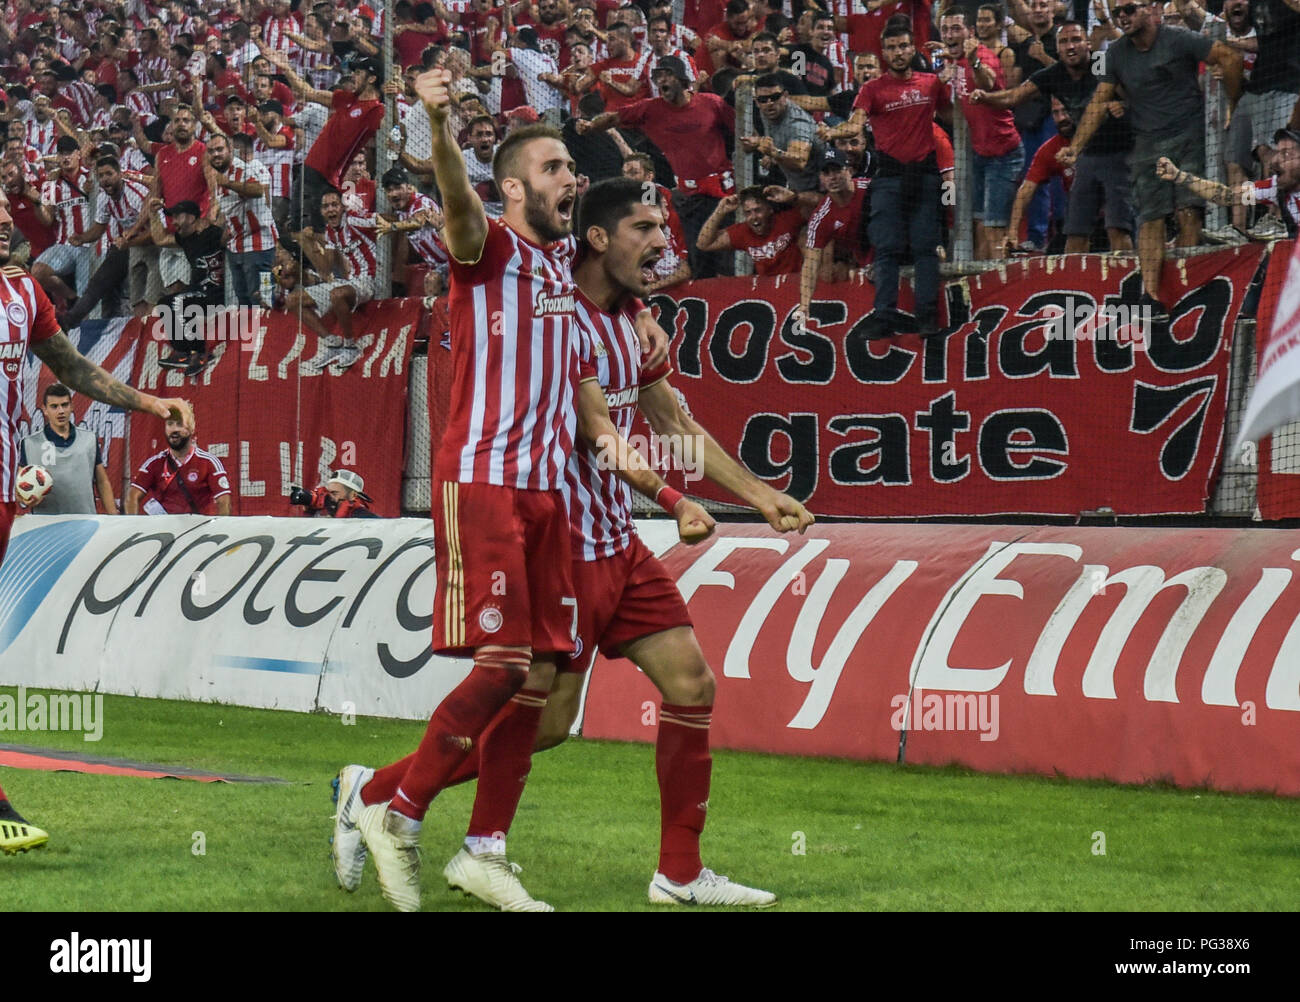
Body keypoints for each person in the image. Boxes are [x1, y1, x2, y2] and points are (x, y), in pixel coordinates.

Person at [333, 177, 814, 909]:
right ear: (596, 237)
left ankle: (678, 875)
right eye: (645, 228)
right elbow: (604, 436)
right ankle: (377, 793)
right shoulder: (554, 321)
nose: (662, 242)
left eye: (662, 227)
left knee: (692, 686)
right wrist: (678, 500)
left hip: (618, 541)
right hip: (564, 545)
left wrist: (757, 495)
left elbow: (675, 424)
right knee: (546, 723)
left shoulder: (632, 319)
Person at [0, 193, 191, 857]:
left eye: (5, 208)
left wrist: (149, 402)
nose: (4, 219)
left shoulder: (24, 293)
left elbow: (72, 366)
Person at [1058, 1, 1242, 327]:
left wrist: (1234, 106)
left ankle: (1186, 294)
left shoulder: (1179, 38)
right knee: (1150, 218)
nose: (1123, 17)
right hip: (1146, 145)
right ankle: (1151, 297)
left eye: (1129, 9)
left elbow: (1229, 57)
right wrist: (1075, 147)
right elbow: (1099, 101)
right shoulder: (1114, 53)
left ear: (1149, 8)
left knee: (1189, 214)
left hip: (1189, 136)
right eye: (1117, 13)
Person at [972, 20, 1135, 255]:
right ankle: (1074, 288)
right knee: (1075, 233)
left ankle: (1129, 286)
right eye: (1064, 41)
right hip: (1086, 157)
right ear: (1057, 49)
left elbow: (1132, 94)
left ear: (1088, 44)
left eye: (1076, 40)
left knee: (1117, 230)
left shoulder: (1100, 63)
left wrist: (1122, 103)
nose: (1071, 46)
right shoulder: (1054, 74)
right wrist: (986, 98)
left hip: (1119, 155)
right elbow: (1014, 97)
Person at [826, 23, 949, 339]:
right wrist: (835, 132)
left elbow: (952, 105)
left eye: (903, 46)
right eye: (891, 47)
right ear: (884, 53)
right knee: (887, 247)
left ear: (912, 49)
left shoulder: (932, 83)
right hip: (889, 176)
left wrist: (957, 61)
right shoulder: (872, 89)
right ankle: (884, 316)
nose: (897, 52)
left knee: (925, 248)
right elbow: (856, 122)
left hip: (924, 175)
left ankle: (927, 319)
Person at [578, 55, 737, 279]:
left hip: (723, 192)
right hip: (690, 197)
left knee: (729, 256)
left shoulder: (711, 103)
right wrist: (591, 126)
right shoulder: (650, 109)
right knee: (700, 260)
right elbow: (614, 117)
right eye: (657, 76)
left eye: (666, 75)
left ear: (682, 79)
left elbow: (739, 131)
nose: (660, 80)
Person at [939, 8, 1023, 260]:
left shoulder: (984, 57)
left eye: (956, 29)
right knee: (976, 226)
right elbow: (948, 113)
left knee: (994, 229)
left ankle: (1001, 292)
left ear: (970, 32)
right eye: (945, 30)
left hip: (1004, 154)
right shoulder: (953, 62)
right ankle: (981, 293)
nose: (949, 35)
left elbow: (986, 82)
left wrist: (974, 60)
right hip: (978, 155)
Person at [286, 189, 378, 371]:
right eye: (326, 207)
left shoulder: (353, 220)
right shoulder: (329, 232)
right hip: (350, 281)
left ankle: (351, 346)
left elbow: (382, 219)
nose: (330, 210)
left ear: (342, 207)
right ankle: (333, 344)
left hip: (370, 279)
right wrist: (310, 243)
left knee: (337, 294)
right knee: (292, 300)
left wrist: (399, 225)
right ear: (321, 212)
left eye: (334, 205)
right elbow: (325, 269)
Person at [1156, 128, 1299, 239]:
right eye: (1278, 153)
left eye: (1286, 154)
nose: (1275, 161)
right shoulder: (1274, 188)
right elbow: (1227, 196)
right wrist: (1179, 176)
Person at [147, 199, 226, 377]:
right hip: (197, 294)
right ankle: (182, 353)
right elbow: (159, 239)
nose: (173, 222)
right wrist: (153, 215)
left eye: (177, 216)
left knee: (178, 301)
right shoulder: (185, 239)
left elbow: (228, 235)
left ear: (191, 217)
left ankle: (200, 353)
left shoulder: (213, 233)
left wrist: (218, 211)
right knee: (164, 303)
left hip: (216, 295)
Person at [19, 383, 115, 515]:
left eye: (64, 405)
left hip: (84, 522)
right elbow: (19, 487)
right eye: (54, 406)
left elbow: (102, 481)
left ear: (72, 407)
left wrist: (114, 517)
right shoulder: (30, 444)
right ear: (45, 410)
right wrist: (24, 498)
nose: (61, 411)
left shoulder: (89, 439)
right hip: (45, 524)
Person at [210, 132, 278, 307]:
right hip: (236, 248)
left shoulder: (241, 169)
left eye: (219, 149)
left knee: (262, 301)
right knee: (244, 303)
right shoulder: (221, 174)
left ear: (230, 150)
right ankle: (250, 334)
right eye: (211, 151)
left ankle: (265, 333)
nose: (215, 154)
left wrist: (228, 183)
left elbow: (257, 190)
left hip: (258, 246)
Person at [126, 404, 232, 516]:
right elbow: (132, 497)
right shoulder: (154, 464)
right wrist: (133, 526)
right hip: (164, 530)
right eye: (170, 424)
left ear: (191, 429)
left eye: (180, 424)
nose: (174, 429)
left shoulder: (208, 462)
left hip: (198, 529)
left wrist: (217, 530)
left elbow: (224, 501)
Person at [1006, 97, 1080, 253]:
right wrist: (1012, 231)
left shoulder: (1099, 140)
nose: (1061, 118)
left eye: (1065, 112)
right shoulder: (1050, 149)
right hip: (1075, 219)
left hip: (1105, 218)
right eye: (1056, 113)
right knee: (1056, 253)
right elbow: (1026, 190)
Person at [696, 184, 805, 275]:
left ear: (770, 209)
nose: (753, 217)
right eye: (748, 212)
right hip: (768, 290)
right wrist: (720, 211)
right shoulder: (743, 231)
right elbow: (703, 244)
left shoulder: (787, 219)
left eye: (757, 210)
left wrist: (794, 197)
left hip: (794, 283)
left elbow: (818, 203)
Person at [742, 73, 823, 192]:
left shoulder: (797, 124)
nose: (769, 103)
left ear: (785, 96)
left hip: (818, 187)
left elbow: (799, 161)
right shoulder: (767, 110)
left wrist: (772, 152)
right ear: (757, 102)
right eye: (763, 99)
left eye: (775, 97)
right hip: (795, 184)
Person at [289, 469, 379, 517]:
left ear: (353, 495)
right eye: (329, 492)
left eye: (335, 493)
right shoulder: (323, 509)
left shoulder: (362, 516)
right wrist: (309, 511)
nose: (329, 497)